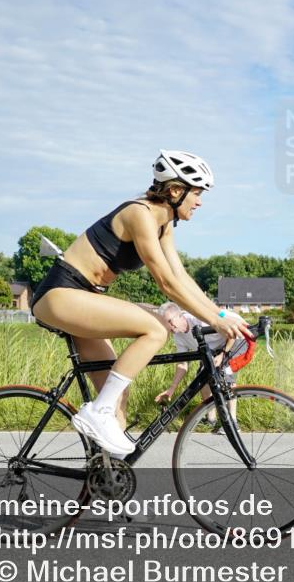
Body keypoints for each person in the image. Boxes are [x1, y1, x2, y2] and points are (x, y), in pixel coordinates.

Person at [29, 150, 252, 456]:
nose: (199, 202)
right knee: (156, 329)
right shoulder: (140, 215)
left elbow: (181, 276)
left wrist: (223, 314)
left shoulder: (164, 224)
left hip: (84, 299)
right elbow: (167, 283)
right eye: (197, 194)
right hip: (61, 295)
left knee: (118, 401)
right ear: (175, 191)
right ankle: (97, 413)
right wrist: (214, 322)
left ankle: (104, 479)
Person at [152, 301, 246, 426]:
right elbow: (182, 364)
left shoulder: (200, 320)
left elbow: (231, 332)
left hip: (237, 335)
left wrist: (223, 353)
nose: (169, 326)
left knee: (224, 373)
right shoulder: (178, 335)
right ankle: (211, 419)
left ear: (180, 315)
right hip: (214, 347)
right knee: (203, 376)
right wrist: (171, 389)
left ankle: (232, 421)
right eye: (165, 323)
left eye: (170, 321)